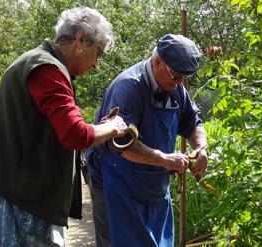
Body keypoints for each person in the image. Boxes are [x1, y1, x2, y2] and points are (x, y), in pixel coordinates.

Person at [0, 7, 129, 247]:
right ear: (80, 39)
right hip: (23, 199)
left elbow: (53, 128)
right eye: (97, 54)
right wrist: (114, 128)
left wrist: (96, 130)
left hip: (17, 193)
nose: (96, 65)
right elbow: (75, 135)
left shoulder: (38, 62)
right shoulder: (48, 70)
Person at [85, 34, 208, 247]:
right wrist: (165, 159)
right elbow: (122, 145)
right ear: (157, 61)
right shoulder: (128, 87)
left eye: (184, 78)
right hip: (114, 184)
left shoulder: (175, 87)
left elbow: (193, 121)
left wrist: (201, 148)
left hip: (153, 187)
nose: (179, 83)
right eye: (176, 75)